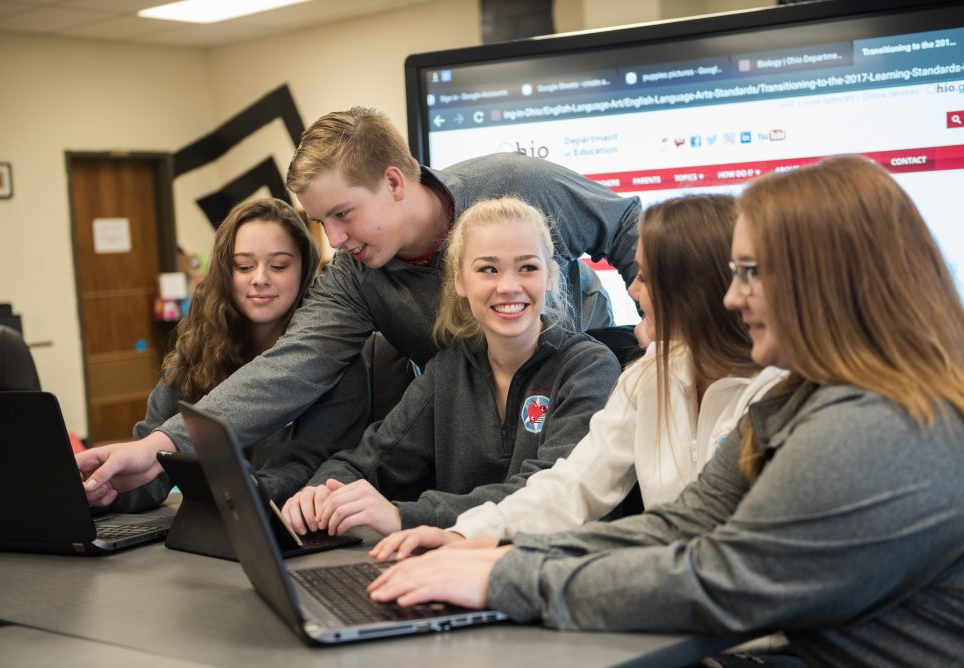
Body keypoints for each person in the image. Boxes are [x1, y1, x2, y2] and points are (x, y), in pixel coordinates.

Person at [367, 156, 964, 665]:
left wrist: (505, 576)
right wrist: (488, 547)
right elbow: (677, 527)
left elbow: (719, 578)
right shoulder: (802, 399)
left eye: (750, 274)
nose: (733, 296)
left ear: (830, 281)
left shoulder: (878, 425)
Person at [78, 106, 641, 505]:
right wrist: (162, 444)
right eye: (322, 222)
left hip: (568, 413)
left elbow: (627, 227)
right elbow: (292, 364)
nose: (335, 239)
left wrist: (667, 338)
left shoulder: (515, 188)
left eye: (343, 214)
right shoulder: (357, 275)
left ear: (394, 181)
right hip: (468, 446)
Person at [370, 194, 787, 561]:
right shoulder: (648, 376)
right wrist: (466, 535)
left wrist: (508, 570)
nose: (633, 290)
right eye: (488, 270)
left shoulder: (780, 390)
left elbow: (711, 550)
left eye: (644, 276)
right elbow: (574, 486)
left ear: (694, 288)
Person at [279, 196, 621, 537]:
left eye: (528, 267)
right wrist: (320, 492)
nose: (508, 286)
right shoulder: (448, 371)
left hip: (546, 573)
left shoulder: (588, 368)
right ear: (459, 281)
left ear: (550, 276)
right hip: (451, 571)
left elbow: (545, 494)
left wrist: (404, 516)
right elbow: (371, 460)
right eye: (488, 269)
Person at [77, 198, 369, 509]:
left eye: (279, 265)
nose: (259, 278)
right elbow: (154, 460)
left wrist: (235, 490)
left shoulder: (337, 361)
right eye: (243, 266)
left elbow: (307, 469)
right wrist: (104, 490)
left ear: (304, 270)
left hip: (285, 532)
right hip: (204, 528)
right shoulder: (198, 347)